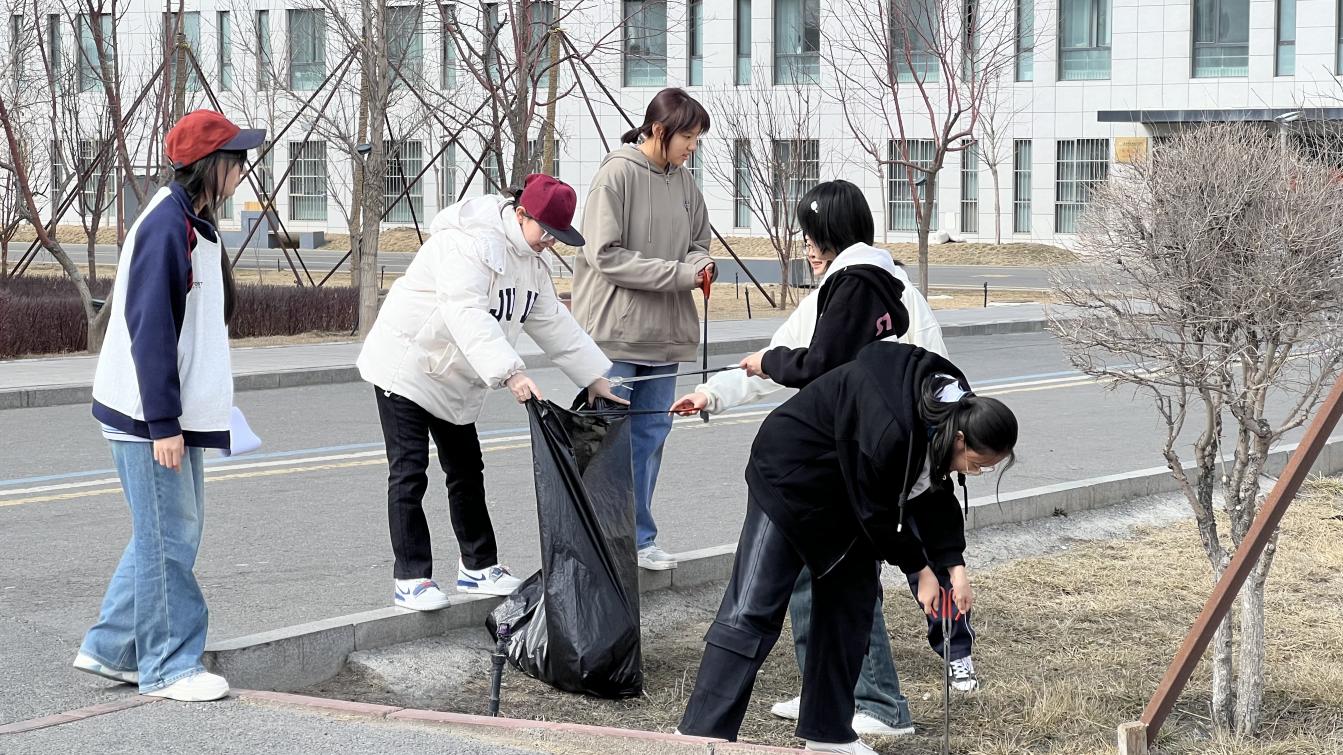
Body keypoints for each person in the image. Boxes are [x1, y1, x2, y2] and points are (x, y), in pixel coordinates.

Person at [670, 178, 948, 738]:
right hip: (828, 468)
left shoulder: (863, 287)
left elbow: (806, 362)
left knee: (822, 596)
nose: (805, 249)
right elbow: (786, 354)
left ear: (830, 234)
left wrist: (929, 550)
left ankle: (864, 709)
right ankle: (817, 715)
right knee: (811, 586)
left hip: (855, 469)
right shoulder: (853, 288)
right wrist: (713, 393)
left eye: (809, 236)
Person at [677, 342, 1018, 754]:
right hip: (791, 477)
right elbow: (877, 512)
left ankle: (829, 735)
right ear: (959, 438)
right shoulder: (893, 428)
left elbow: (934, 490)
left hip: (852, 486)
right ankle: (700, 735)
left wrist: (953, 567)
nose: (976, 472)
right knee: (753, 605)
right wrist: (920, 569)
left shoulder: (952, 412)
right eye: (977, 464)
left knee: (849, 608)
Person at [357, 174, 624, 611]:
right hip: (407, 365)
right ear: (521, 215)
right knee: (409, 472)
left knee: (466, 469)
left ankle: (478, 567)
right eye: (546, 232)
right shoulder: (470, 243)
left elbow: (553, 322)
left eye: (557, 236)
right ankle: (411, 578)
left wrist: (594, 377)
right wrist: (511, 373)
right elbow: (466, 313)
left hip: (455, 375)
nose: (550, 243)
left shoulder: (530, 263)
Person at [78, 110, 265, 702]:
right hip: (148, 417)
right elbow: (151, 329)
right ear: (210, 165)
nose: (243, 171)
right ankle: (167, 665)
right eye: (236, 160)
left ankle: (111, 649)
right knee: (170, 539)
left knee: (163, 534)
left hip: (163, 413)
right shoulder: (167, 224)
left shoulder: (190, 220)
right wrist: (163, 423)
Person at [573, 87, 715, 571]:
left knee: (651, 437)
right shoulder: (616, 175)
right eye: (688, 137)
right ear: (659, 130)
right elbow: (605, 255)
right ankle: (602, 542)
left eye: (696, 139)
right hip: (615, 332)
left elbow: (699, 242)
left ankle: (638, 538)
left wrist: (702, 264)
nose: (692, 147)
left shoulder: (685, 182)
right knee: (608, 444)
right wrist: (680, 274)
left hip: (666, 335)